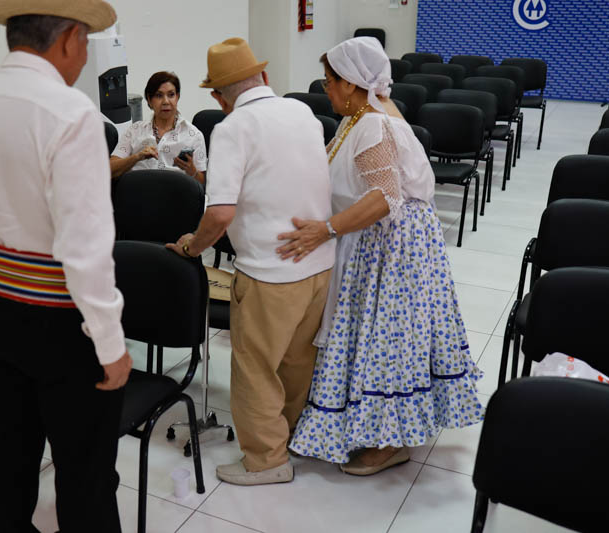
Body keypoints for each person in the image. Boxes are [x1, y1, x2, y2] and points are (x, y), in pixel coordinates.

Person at [0, 1, 132, 531]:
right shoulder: (71, 113)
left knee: (13, 446)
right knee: (84, 468)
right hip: (61, 319)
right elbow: (85, 246)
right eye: (85, 41)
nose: (84, 55)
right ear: (68, 38)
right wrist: (110, 343)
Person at [283, 37, 484, 475]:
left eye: (329, 81)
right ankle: (364, 426)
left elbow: (385, 197)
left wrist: (326, 229)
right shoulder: (356, 117)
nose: (326, 88)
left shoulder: (373, 123)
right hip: (376, 238)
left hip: (392, 244)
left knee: (387, 339)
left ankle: (389, 442)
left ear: (351, 83)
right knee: (370, 336)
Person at [168, 38, 334, 486]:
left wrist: (192, 247)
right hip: (319, 263)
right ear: (264, 77)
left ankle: (266, 459)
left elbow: (220, 213)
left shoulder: (233, 128)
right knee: (297, 362)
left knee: (256, 369)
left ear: (218, 97)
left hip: (269, 273)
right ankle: (290, 437)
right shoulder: (302, 112)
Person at [110, 70, 208, 183]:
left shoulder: (194, 135)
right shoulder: (135, 130)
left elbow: (203, 183)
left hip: (175, 193)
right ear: (149, 100)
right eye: (159, 95)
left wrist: (192, 171)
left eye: (171, 95)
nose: (166, 101)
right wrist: (136, 157)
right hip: (139, 191)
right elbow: (109, 170)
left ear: (177, 97)